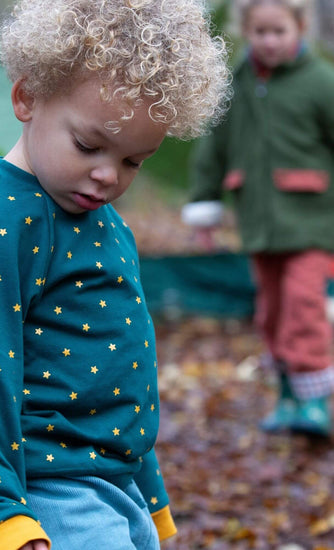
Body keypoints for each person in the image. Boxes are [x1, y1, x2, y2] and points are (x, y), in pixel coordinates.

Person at [0, 1, 229, 548]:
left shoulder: (107, 224)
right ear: (28, 97)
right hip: (54, 492)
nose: (107, 176)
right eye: (88, 146)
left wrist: (150, 493)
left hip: (119, 488)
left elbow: (118, 370)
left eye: (133, 161)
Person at [182, 0, 334, 437]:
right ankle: (288, 396)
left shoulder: (320, 82)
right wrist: (205, 205)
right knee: (271, 312)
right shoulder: (238, 82)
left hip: (311, 222)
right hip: (259, 224)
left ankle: (315, 401)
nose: (269, 41)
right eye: (260, 32)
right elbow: (214, 149)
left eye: (278, 31)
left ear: (300, 26)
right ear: (245, 30)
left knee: (303, 307)